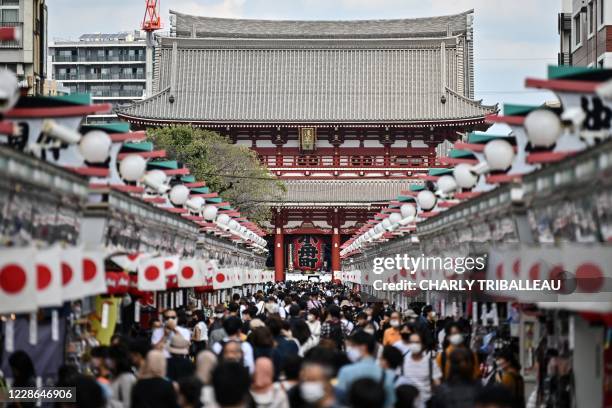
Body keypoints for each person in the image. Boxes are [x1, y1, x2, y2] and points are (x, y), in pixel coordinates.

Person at [336, 331, 396, 407]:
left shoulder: (346, 371)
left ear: (363, 347)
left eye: (352, 346)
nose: (350, 349)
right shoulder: (385, 374)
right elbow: (390, 403)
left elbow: (340, 401)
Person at [399, 331, 441, 408]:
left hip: (426, 401)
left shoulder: (430, 363)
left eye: (417, 342)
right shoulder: (403, 362)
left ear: (422, 344)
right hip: (407, 403)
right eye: (412, 342)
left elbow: (437, 383)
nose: (414, 345)